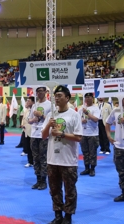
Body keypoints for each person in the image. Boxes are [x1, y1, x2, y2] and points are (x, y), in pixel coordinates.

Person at [41, 86, 83, 224]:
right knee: (54, 189)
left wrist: (62, 134)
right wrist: (48, 125)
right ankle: (58, 215)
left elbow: (78, 137)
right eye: (55, 96)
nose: (56, 98)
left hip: (68, 160)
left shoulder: (74, 115)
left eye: (59, 95)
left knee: (70, 190)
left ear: (67, 98)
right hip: (52, 159)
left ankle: (68, 216)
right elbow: (43, 136)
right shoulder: (50, 115)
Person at [28, 87, 51, 190]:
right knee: (35, 158)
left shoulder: (50, 105)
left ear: (45, 92)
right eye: (38, 91)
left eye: (41, 91)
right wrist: (34, 119)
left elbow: (51, 120)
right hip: (34, 134)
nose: (39, 93)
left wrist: (41, 115)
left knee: (43, 158)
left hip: (43, 134)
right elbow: (29, 120)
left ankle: (43, 180)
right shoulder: (34, 105)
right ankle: (38, 179)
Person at [79, 93, 100, 176]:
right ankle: (86, 168)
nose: (87, 99)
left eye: (89, 97)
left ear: (92, 98)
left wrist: (87, 113)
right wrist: (81, 120)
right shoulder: (81, 109)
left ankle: (92, 169)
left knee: (92, 152)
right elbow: (77, 118)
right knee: (85, 152)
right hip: (83, 133)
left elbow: (96, 119)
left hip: (93, 134)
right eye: (86, 97)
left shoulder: (95, 108)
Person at [21, 97, 34, 168]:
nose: (27, 102)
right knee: (28, 147)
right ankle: (30, 161)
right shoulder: (26, 110)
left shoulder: (35, 110)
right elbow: (24, 118)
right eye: (27, 101)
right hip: (26, 130)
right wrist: (23, 124)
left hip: (34, 131)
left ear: (33, 102)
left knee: (34, 148)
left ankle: (36, 161)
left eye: (29, 101)